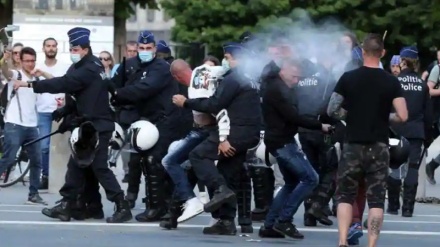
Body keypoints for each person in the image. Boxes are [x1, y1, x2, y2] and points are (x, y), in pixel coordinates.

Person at [14, 27, 132, 223]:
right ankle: (81, 206)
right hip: (89, 125)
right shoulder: (87, 65)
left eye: (76, 49)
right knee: (79, 165)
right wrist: (65, 111)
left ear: (85, 49)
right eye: (71, 49)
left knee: (99, 167)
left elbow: (63, 84)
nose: (73, 52)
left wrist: (31, 85)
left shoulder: (89, 69)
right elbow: (79, 95)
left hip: (98, 126)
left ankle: (121, 205)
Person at [327, 33, 408, 247]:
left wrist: (351, 115)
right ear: (382, 53)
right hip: (379, 147)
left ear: (362, 52)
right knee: (376, 200)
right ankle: (372, 244)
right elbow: (403, 115)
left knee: (345, 195)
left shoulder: (348, 78)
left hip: (352, 144)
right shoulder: (391, 81)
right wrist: (383, 116)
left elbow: (332, 109)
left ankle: (342, 241)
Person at [172, 42, 261, 235]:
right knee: (227, 171)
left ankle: (220, 190)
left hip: (235, 132)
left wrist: (186, 102)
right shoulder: (249, 78)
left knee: (197, 155)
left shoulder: (233, 79)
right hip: (248, 134)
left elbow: (215, 104)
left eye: (227, 58)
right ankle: (226, 222)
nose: (225, 61)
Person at [109, 30, 187, 222]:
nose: (144, 51)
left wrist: (118, 94)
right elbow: (116, 84)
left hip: (165, 120)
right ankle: (159, 205)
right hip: (146, 121)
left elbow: (144, 89)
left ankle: (160, 206)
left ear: (154, 49)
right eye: (141, 48)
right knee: (146, 162)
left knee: (155, 161)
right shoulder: (131, 65)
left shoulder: (160, 67)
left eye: (148, 48)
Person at [259, 58, 329, 239]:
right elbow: (293, 117)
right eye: (295, 76)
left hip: (280, 141)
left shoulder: (277, 86)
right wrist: (319, 126)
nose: (296, 81)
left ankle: (269, 225)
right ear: (285, 69)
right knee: (310, 178)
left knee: (291, 183)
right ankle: (284, 220)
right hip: (282, 142)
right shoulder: (277, 89)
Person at [160, 60, 223, 230]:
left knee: (170, 161)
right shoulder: (202, 78)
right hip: (205, 131)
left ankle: (191, 201)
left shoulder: (198, 81)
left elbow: (209, 107)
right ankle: (211, 216)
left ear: (176, 77)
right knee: (198, 170)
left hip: (206, 131)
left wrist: (185, 103)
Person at [388, 46, 432, 217]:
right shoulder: (422, 85)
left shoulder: (394, 82)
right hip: (416, 131)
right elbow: (428, 115)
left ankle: (392, 206)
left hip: (395, 130)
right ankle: (408, 209)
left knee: (394, 167)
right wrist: (427, 137)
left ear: (403, 62)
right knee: (412, 168)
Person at [0, 47, 46, 204]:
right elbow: (6, 71)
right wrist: (4, 59)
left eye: (33, 60)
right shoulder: (16, 74)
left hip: (32, 125)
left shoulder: (36, 79)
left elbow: (54, 82)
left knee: (36, 160)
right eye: (27, 61)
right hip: (14, 124)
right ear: (20, 60)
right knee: (8, 159)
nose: (30, 64)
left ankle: (33, 195)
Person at [36, 37, 70, 190]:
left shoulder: (65, 66)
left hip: (59, 111)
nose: (51, 48)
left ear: (57, 48)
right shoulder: (37, 66)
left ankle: (63, 177)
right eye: (48, 46)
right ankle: (46, 176)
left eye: (53, 46)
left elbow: (66, 85)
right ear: (43, 48)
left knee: (61, 147)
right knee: (44, 146)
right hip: (43, 111)